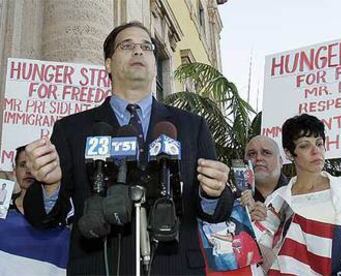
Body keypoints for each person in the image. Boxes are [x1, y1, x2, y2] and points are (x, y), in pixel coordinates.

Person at [23, 21, 234, 275]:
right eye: (127, 46)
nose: (138, 51)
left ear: (155, 65)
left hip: (176, 267)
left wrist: (212, 193)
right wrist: (50, 186)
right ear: (109, 64)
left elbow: (218, 211)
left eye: (146, 47)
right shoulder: (71, 129)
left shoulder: (192, 126)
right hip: (97, 267)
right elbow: (41, 218)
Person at [268, 113, 341, 274]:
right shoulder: (276, 200)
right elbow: (266, 254)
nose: (316, 151)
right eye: (305, 145)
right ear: (288, 153)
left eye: (319, 144)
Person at [0, 146, 70, 275]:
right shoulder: (3, 213)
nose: (29, 171)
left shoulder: (66, 214)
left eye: (34, 166)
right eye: (23, 165)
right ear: (14, 171)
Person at [241, 135, 288, 221]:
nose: (258, 158)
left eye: (266, 153)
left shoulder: (296, 193)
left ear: (280, 161)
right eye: (252, 154)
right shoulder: (235, 201)